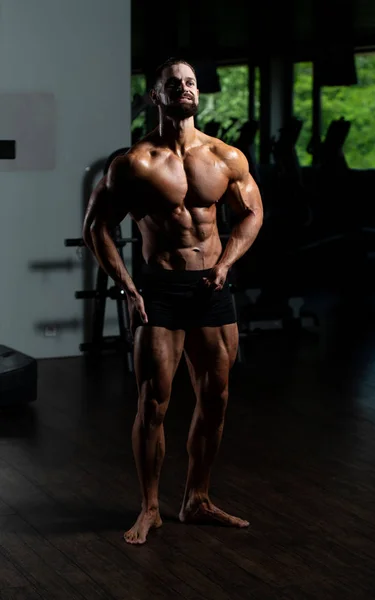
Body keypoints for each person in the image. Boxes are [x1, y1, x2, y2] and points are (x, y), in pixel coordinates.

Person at [82, 57, 264, 545]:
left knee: (216, 398)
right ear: (154, 96)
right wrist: (125, 284)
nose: (183, 88)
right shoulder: (135, 163)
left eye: (190, 82)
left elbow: (251, 214)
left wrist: (226, 262)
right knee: (153, 403)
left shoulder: (225, 157)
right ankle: (150, 508)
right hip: (159, 290)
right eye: (173, 83)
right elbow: (96, 226)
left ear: (197, 93)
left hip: (211, 287)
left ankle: (197, 498)